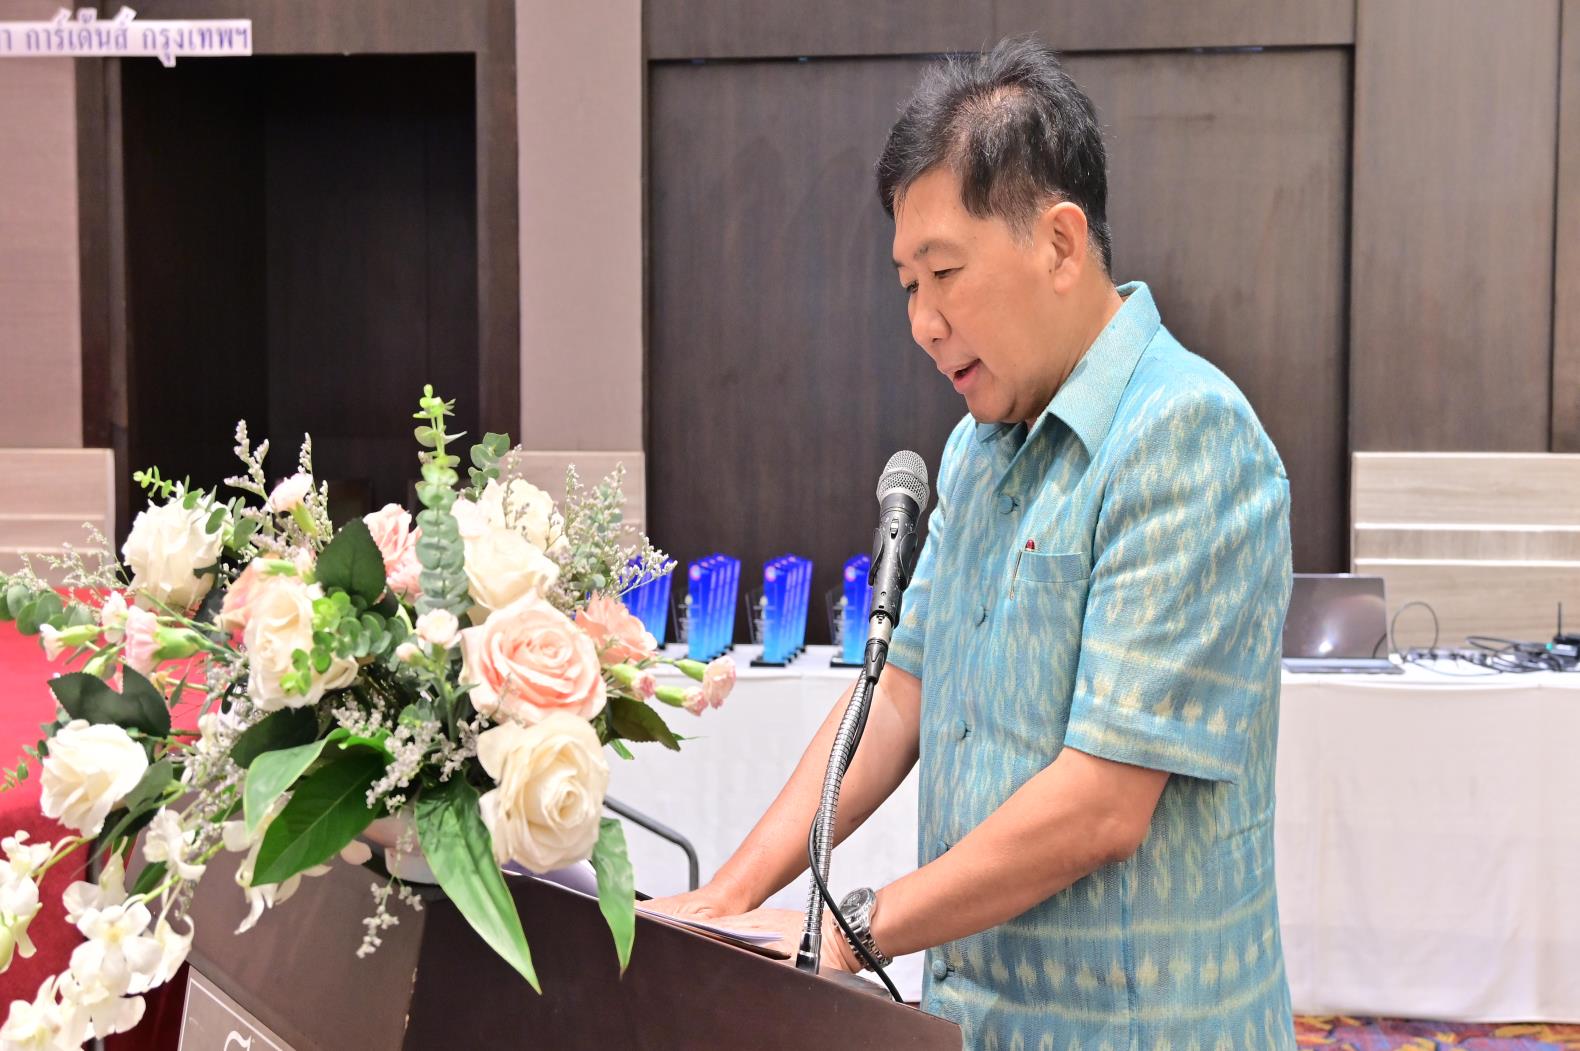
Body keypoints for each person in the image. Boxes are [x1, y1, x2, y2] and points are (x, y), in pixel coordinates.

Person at [650, 37, 1296, 1051]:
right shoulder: (976, 449)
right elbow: (898, 698)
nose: (922, 321)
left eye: (944, 273)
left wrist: (844, 929)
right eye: (907, 284)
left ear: (1059, 243)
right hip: (978, 1019)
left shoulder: (1183, 435)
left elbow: (1101, 803)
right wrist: (726, 902)